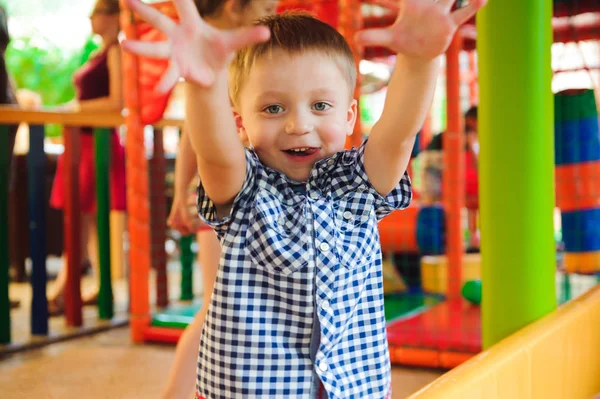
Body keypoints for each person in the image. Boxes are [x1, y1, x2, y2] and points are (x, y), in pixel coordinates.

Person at [123, 0, 485, 397]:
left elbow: (398, 134)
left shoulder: (358, 184)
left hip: (352, 385)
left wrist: (419, 61)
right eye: (273, 108)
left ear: (349, 116)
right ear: (241, 124)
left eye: (320, 106)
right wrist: (204, 84)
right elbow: (215, 153)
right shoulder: (245, 188)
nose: (299, 125)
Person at [164, 1, 280, 397]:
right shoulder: (225, 58)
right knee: (215, 307)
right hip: (226, 199)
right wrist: (182, 193)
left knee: (223, 308)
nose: (274, 11)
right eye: (266, 5)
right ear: (234, 8)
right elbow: (191, 136)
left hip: (250, 194)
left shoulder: (245, 58)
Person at [47, 0, 126, 315]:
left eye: (97, 12)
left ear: (112, 17)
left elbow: (117, 101)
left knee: (81, 218)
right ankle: (97, 286)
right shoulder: (100, 52)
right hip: (83, 141)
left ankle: (65, 290)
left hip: (96, 143)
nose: (91, 18)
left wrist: (74, 109)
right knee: (88, 220)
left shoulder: (117, 51)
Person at [422, 105, 480, 249]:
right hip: (438, 157)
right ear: (472, 120)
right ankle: (444, 237)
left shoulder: (461, 128)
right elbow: (474, 155)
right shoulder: (467, 130)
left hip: (433, 158)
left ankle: (441, 235)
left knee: (434, 199)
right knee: (436, 200)